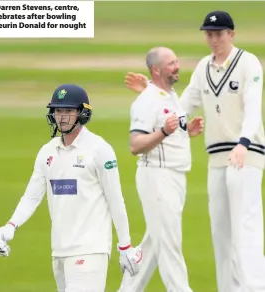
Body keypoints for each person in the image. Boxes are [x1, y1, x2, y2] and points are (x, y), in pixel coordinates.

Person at [123, 10, 265, 292]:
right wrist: (150, 91)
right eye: (209, 34)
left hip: (246, 155)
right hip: (217, 159)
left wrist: (243, 143)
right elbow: (181, 109)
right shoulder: (203, 67)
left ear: (231, 34)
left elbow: (253, 108)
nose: (214, 40)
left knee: (245, 228)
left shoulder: (248, 63)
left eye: (219, 34)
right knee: (221, 233)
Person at [0, 84, 143, 292]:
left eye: (68, 111)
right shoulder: (47, 152)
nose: (62, 117)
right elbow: (31, 196)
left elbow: (115, 199)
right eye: (58, 111)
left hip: (90, 250)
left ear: (82, 113)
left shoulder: (99, 149)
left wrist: (125, 246)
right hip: (59, 251)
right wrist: (10, 226)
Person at [118, 47, 204, 292]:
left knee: (154, 245)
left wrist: (187, 132)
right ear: (156, 70)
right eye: (170, 64)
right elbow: (136, 145)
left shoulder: (170, 95)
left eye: (176, 61)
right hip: (157, 176)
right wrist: (164, 131)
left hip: (175, 177)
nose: (177, 66)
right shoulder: (146, 101)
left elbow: (169, 127)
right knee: (169, 246)